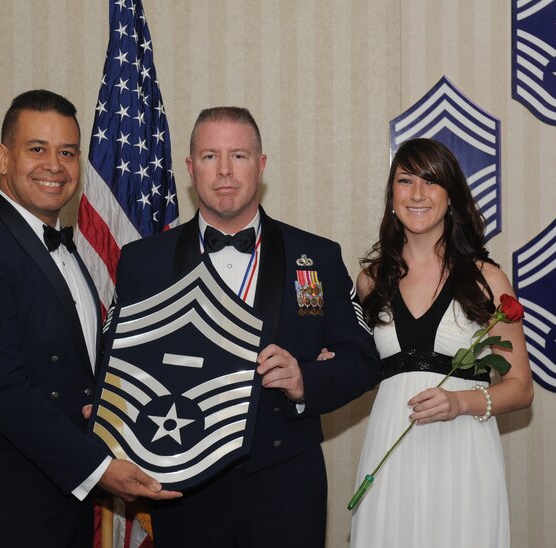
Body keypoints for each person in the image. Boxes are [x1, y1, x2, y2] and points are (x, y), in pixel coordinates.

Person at [113, 106, 380, 547]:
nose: (223, 171)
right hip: (184, 487)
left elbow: (364, 360)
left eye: (238, 156)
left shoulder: (316, 256)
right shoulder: (144, 262)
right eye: (209, 156)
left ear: (261, 166)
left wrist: (304, 380)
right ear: (189, 168)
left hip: (286, 482)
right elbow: (117, 363)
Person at [0, 89, 181, 548]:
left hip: (63, 490)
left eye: (67, 152)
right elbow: (2, 389)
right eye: (37, 149)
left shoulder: (67, 251)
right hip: (4, 494)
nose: (54, 165)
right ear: (3, 158)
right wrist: (100, 467)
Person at [347, 138, 533, 548]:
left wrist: (460, 403)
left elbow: (520, 387)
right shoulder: (369, 281)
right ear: (391, 194)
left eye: (430, 182)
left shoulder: (487, 280)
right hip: (389, 449)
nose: (416, 194)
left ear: (451, 197)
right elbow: (358, 368)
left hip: (463, 452)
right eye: (405, 180)